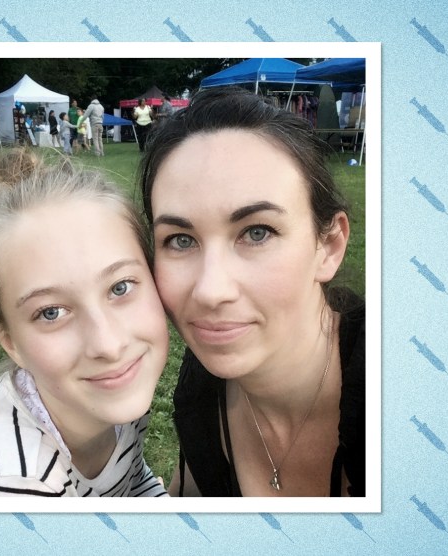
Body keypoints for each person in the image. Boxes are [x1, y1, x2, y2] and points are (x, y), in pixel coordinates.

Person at [138, 87, 364, 497]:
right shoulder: (202, 389)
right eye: (180, 240)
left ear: (329, 246)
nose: (211, 291)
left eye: (257, 232)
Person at [0, 151, 170, 497]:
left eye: (120, 287)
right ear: (10, 341)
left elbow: (133, 483)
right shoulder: (10, 487)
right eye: (51, 312)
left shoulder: (113, 391)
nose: (109, 346)